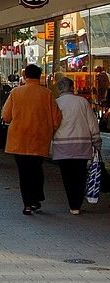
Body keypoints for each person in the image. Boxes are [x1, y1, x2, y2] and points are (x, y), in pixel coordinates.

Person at [3, 63, 62, 216]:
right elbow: (56, 118)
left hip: (19, 138)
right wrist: (50, 130)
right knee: (36, 169)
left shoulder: (16, 92)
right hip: (39, 138)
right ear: (39, 76)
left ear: (24, 76)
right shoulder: (47, 93)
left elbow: (6, 116)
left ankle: (27, 204)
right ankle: (36, 198)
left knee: (24, 172)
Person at [52, 77, 102, 215]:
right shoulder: (82, 102)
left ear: (59, 89)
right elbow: (92, 123)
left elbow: (51, 125)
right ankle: (77, 204)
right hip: (82, 145)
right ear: (72, 87)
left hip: (62, 146)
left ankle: (72, 204)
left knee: (67, 176)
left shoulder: (55, 103)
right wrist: (97, 141)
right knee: (80, 175)